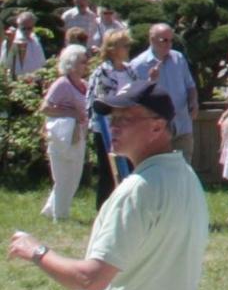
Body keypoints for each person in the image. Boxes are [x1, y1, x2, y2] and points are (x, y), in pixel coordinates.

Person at [9, 80, 208, 290]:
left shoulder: (138, 190)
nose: (113, 127)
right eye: (111, 119)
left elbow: (91, 278)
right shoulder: (186, 178)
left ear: (158, 127)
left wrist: (36, 251)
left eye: (125, 119)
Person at [129, 24, 198, 163]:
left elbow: (190, 85)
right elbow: (134, 99)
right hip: (157, 129)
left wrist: (193, 101)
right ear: (152, 40)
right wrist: (150, 81)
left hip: (182, 124)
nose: (169, 44)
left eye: (171, 40)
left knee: (184, 169)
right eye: (164, 40)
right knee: (159, 169)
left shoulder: (178, 58)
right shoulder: (138, 65)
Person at [40, 44, 90, 221]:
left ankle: (49, 210)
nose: (86, 65)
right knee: (62, 177)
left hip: (79, 135)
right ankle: (60, 216)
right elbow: (45, 108)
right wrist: (70, 113)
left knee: (74, 176)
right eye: (83, 61)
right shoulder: (62, 84)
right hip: (61, 136)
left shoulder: (85, 85)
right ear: (71, 63)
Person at [86, 27, 134, 207]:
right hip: (107, 128)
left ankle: (126, 207)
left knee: (129, 168)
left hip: (129, 127)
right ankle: (103, 210)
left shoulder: (131, 71)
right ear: (113, 48)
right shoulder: (103, 72)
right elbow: (100, 102)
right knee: (108, 170)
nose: (128, 48)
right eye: (125, 45)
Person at [1, 9, 46, 75]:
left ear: (33, 26)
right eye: (23, 28)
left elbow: (41, 59)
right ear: (18, 25)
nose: (26, 31)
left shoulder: (34, 38)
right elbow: (4, 63)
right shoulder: (12, 40)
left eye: (29, 28)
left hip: (37, 78)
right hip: (20, 81)